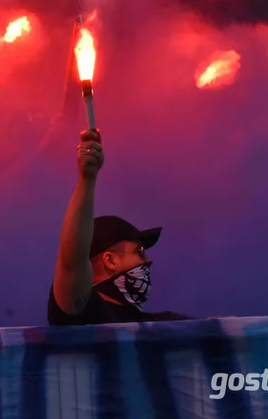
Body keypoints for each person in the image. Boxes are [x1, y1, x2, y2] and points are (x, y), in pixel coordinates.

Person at [48, 130, 191, 325]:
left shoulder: (162, 324)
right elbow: (71, 260)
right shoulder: (86, 313)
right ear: (110, 260)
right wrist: (87, 180)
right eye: (139, 252)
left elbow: (220, 333)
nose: (148, 261)